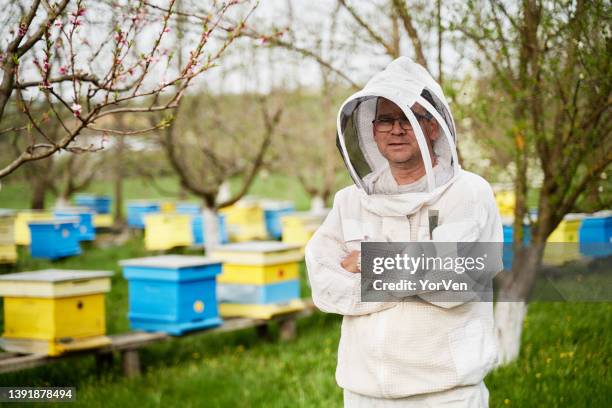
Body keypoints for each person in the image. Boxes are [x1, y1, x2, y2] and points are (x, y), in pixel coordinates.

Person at [305, 57, 503, 407]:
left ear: (433, 126)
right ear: (371, 129)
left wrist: (367, 260)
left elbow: (452, 285)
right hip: (363, 393)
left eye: (411, 118)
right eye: (386, 119)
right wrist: (416, 272)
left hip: (446, 394)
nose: (397, 129)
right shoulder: (349, 202)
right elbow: (323, 286)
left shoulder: (469, 193)